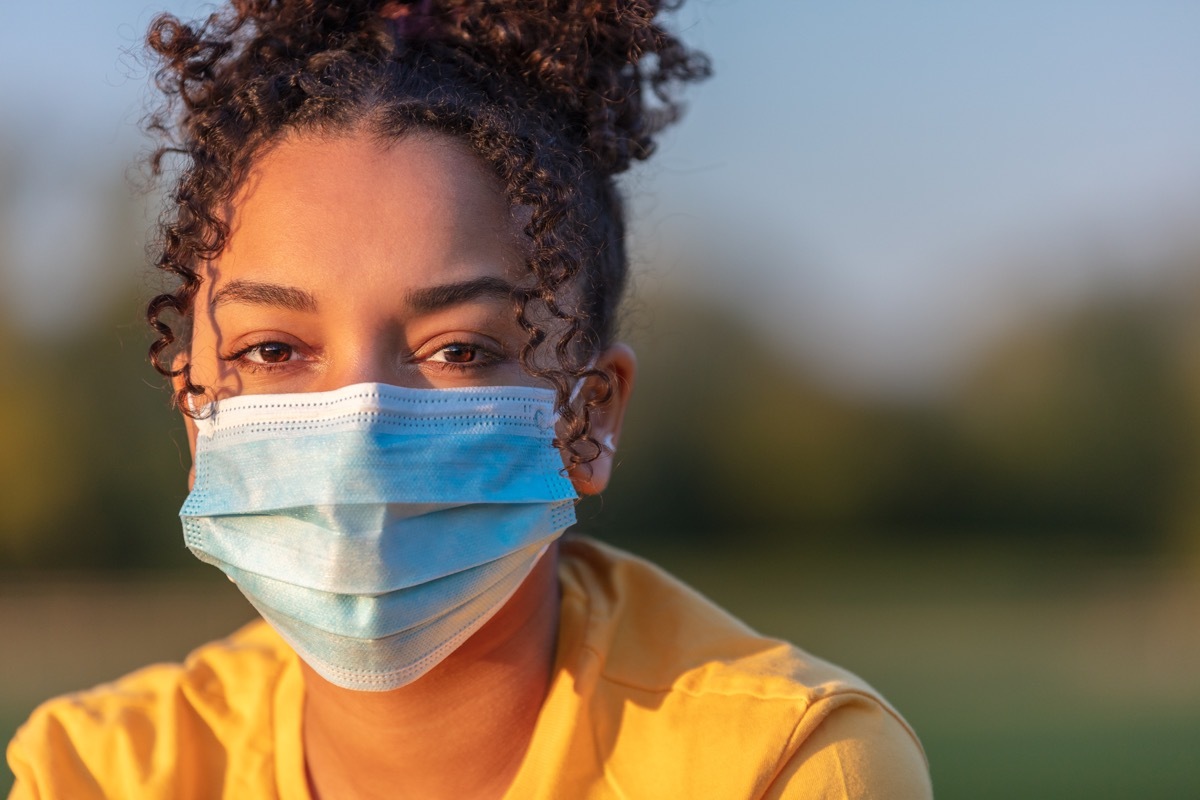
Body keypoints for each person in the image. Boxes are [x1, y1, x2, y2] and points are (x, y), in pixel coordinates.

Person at [6, 1, 933, 797]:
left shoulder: (783, 766)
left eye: (458, 348)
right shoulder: (97, 773)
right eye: (275, 348)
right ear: (195, 414)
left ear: (591, 416)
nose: (361, 421)